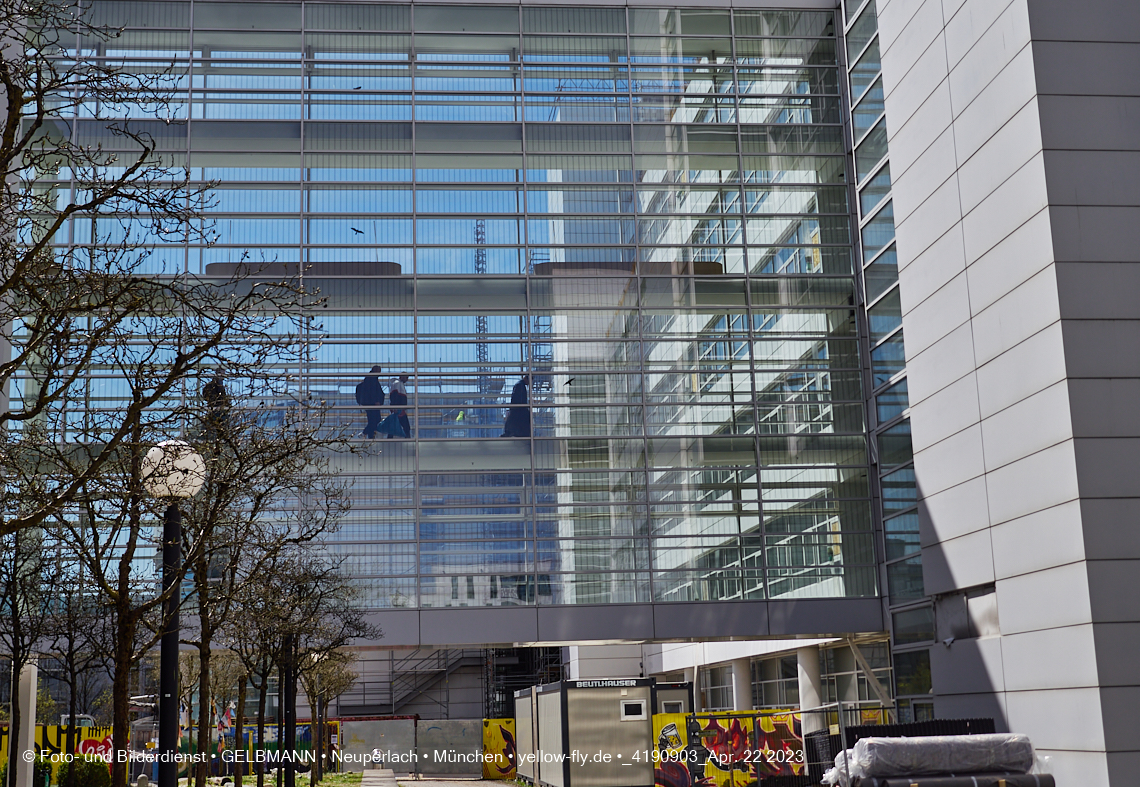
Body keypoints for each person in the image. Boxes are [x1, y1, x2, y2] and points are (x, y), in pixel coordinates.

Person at [355, 366, 385, 439]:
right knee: (376, 420)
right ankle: (365, 433)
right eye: (379, 371)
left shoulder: (369, 378)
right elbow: (373, 391)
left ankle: (370, 436)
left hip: (369, 404)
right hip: (372, 404)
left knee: (372, 420)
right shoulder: (372, 379)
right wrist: (376, 401)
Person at [389, 373, 411, 438]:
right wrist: (395, 407)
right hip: (399, 408)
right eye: (406, 377)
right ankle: (408, 439)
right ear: (401, 377)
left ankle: (389, 438)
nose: (407, 379)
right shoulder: (397, 383)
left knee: (394, 425)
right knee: (406, 426)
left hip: (399, 408)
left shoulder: (398, 384)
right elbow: (394, 395)